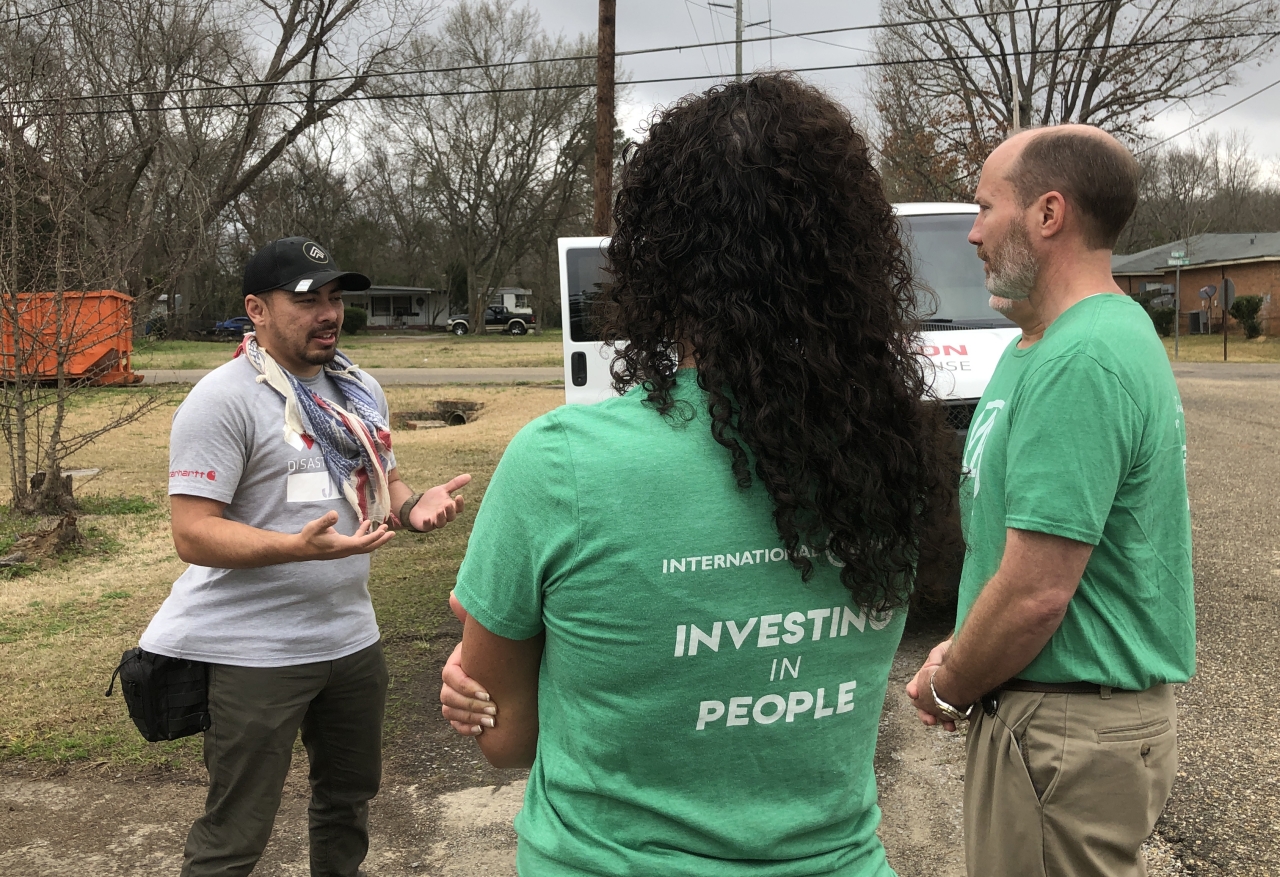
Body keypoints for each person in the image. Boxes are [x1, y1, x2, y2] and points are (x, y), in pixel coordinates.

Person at [437, 74, 958, 876]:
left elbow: (509, 740)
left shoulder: (560, 463)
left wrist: (483, 672)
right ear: (854, 258)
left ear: (656, 258)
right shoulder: (896, 456)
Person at [905, 126, 1195, 877]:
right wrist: (964, 644)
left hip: (1061, 732)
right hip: (1049, 719)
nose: (972, 233)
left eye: (984, 208)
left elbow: (1037, 592)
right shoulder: (1047, 342)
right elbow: (1012, 557)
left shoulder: (1083, 357)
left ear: (1048, 213)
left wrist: (948, 682)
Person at [139, 236, 471, 877]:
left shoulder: (359, 388)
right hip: (254, 653)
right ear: (255, 310)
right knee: (236, 834)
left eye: (335, 297)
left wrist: (411, 507)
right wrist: (293, 549)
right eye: (306, 300)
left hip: (350, 641)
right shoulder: (223, 398)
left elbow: (385, 483)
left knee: (348, 804)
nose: (328, 313)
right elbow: (193, 533)